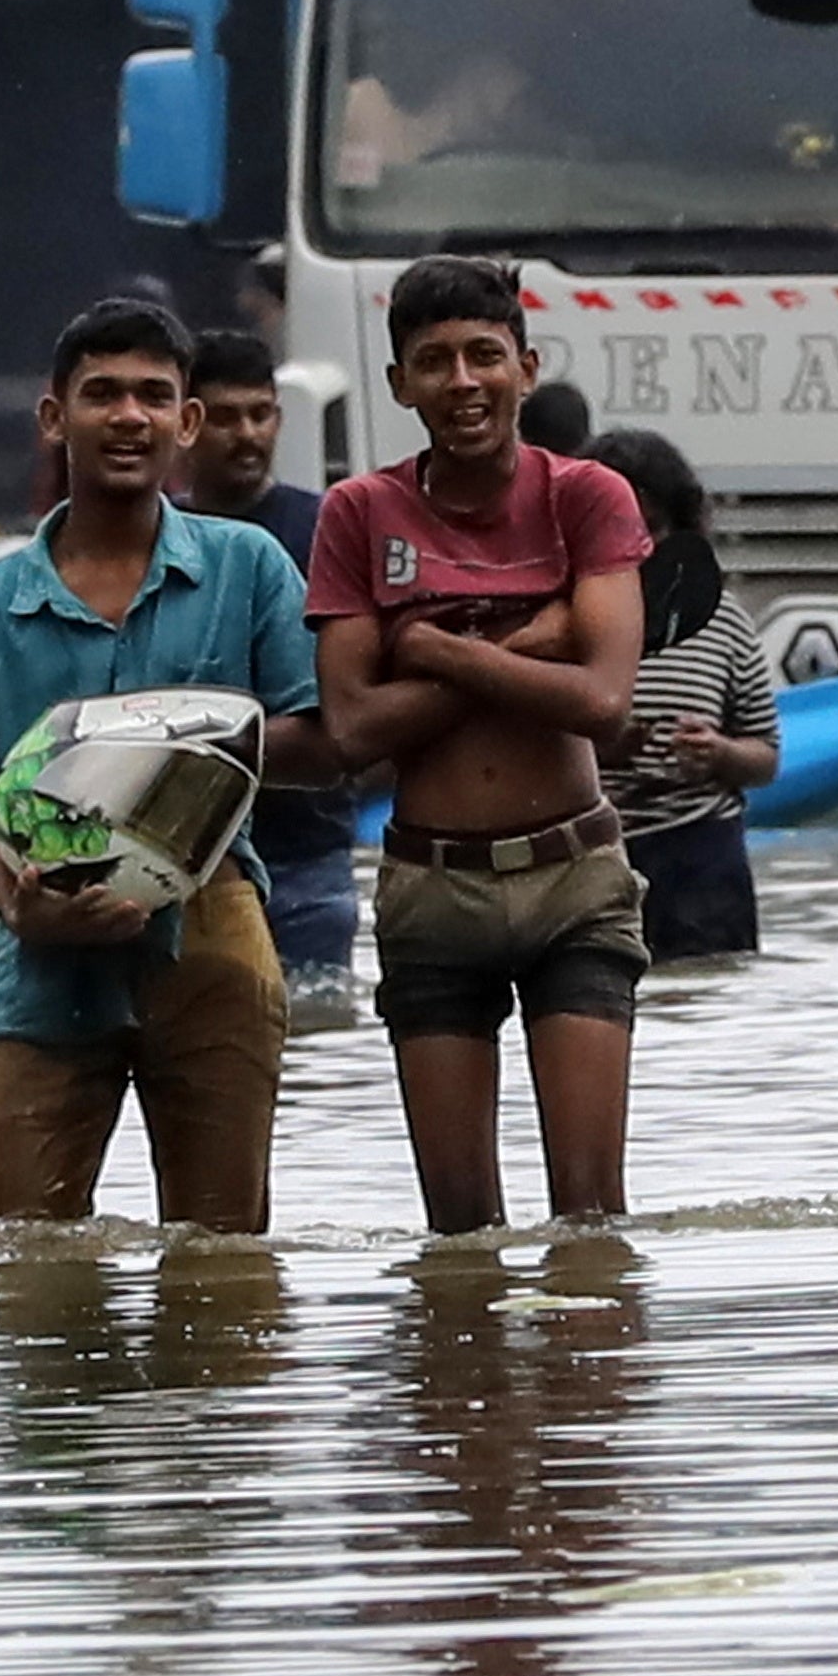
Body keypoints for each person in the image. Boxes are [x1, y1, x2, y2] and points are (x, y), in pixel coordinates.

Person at [0, 293, 324, 1229]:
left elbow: (322, 741)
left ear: (187, 422)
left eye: (153, 395)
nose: (128, 416)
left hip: (214, 920)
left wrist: (180, 760)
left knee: (223, 1263)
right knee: (23, 1263)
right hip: (44, 944)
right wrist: (20, 906)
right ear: (55, 418)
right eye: (102, 394)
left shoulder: (249, 566)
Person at [311, 256, 650, 1231]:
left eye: (483, 356)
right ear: (398, 385)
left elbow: (601, 700)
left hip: (573, 878)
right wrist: (523, 642)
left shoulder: (586, 496)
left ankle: (592, 1386)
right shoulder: (360, 512)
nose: (462, 381)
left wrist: (431, 649)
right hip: (431, 886)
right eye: (434, 361)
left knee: (590, 1226)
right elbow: (351, 730)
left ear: (526, 367)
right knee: (460, 1239)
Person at [184, 321, 359, 1029]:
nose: (246, 434)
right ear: (188, 423)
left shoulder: (325, 530)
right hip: (194, 858)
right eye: (224, 417)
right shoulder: (158, 538)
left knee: (317, 1041)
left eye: (260, 415)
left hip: (308, 855)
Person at [589, 426, 776, 965]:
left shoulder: (723, 620)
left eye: (650, 530)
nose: (638, 550)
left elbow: (766, 757)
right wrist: (599, 748)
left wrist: (720, 753)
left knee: (707, 1002)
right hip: (592, 855)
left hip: (701, 858)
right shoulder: (562, 623)